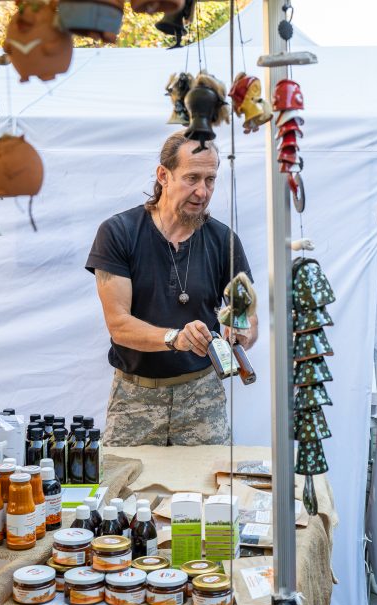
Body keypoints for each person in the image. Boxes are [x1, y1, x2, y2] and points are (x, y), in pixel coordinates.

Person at [86, 132, 257, 445]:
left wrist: (241, 329)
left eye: (210, 180)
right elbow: (119, 325)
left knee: (209, 492)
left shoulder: (224, 241)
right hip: (134, 398)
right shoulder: (118, 233)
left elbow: (246, 317)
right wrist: (175, 338)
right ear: (163, 175)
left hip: (202, 397)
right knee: (124, 489)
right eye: (192, 178)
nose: (202, 191)